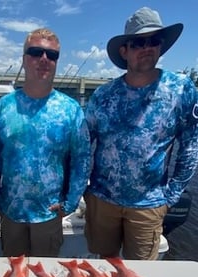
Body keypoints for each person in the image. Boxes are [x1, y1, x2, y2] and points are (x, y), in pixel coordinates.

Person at [84, 7, 198, 260]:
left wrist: (171, 195)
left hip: (149, 205)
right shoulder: (103, 95)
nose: (146, 47)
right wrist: (84, 188)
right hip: (102, 201)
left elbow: (190, 145)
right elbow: (83, 145)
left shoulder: (181, 90)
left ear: (161, 46)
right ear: (124, 51)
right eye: (138, 43)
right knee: (106, 268)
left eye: (153, 41)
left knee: (142, 275)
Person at [0, 28, 91, 257]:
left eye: (51, 55)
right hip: (10, 211)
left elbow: (82, 159)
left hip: (49, 214)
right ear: (24, 59)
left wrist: (72, 201)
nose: (44, 59)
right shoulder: (4, 106)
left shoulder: (70, 109)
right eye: (36, 52)